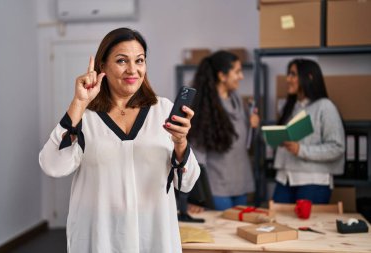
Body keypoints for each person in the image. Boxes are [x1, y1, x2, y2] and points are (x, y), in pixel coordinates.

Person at [39, 27, 200, 253]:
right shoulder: (85, 117)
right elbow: (52, 165)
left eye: (140, 60)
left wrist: (181, 142)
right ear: (102, 66)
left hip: (153, 234)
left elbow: (186, 183)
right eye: (122, 61)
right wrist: (79, 102)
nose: (132, 70)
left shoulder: (162, 110)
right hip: (100, 236)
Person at [187, 50, 259, 211]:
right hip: (217, 188)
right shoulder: (204, 108)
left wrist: (253, 127)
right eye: (237, 72)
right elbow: (197, 156)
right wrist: (196, 196)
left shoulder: (238, 101)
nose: (241, 76)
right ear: (222, 76)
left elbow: (243, 144)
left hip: (240, 184)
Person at [272, 58, 345, 204]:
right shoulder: (290, 107)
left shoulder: (325, 107)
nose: (288, 79)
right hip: (284, 179)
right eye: (288, 74)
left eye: (293, 74)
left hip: (313, 182)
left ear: (309, 77)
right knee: (277, 225)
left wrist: (301, 149)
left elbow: (337, 147)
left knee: (305, 227)